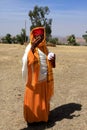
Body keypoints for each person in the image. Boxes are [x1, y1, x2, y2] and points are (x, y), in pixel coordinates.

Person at [22, 26, 55, 126]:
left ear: (44, 36)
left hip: (44, 80)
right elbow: (27, 61)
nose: (39, 38)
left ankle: (43, 118)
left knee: (42, 100)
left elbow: (50, 62)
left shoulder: (45, 48)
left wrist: (52, 58)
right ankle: (31, 120)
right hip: (33, 81)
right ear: (33, 36)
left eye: (41, 36)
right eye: (37, 36)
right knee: (33, 100)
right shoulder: (29, 47)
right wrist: (33, 47)